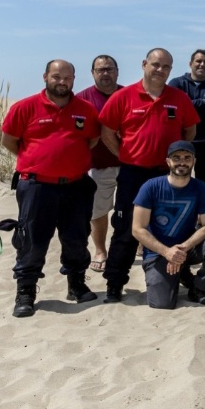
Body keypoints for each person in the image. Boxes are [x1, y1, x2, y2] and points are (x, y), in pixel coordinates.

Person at [1, 59, 101, 317]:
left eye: (67, 77)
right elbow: (10, 141)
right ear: (45, 76)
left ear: (74, 79)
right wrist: (38, 163)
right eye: (56, 76)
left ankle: (76, 284)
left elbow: (91, 140)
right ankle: (26, 291)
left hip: (76, 186)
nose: (62, 81)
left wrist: (67, 163)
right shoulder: (24, 107)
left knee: (76, 237)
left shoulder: (86, 110)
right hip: (36, 186)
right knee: (32, 239)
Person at [100, 48, 200, 302]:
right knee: (125, 228)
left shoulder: (178, 98)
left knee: (174, 227)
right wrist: (125, 155)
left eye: (166, 67)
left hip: (168, 175)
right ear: (144, 64)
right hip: (133, 174)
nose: (160, 70)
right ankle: (115, 282)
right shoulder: (123, 96)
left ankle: (183, 274)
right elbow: (107, 132)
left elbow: (189, 131)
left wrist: (175, 160)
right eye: (156, 65)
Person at [131, 141, 205, 309]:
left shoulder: (201, 188)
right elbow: (137, 229)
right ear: (168, 161)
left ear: (193, 161)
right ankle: (178, 274)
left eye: (187, 158)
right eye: (176, 158)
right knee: (162, 303)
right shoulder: (150, 187)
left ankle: (199, 288)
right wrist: (167, 252)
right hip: (158, 252)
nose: (182, 162)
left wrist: (182, 248)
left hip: (186, 248)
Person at [75, 54, 122, 274]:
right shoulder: (82, 99)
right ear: (93, 73)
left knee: (136, 207)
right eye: (100, 69)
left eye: (109, 69)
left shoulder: (128, 95)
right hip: (97, 165)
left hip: (130, 164)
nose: (105, 73)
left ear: (117, 71)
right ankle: (101, 250)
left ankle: (141, 244)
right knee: (98, 211)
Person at [168, 49, 205, 184]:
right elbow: (172, 110)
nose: (202, 64)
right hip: (181, 141)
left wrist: (186, 108)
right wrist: (203, 103)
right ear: (190, 63)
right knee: (177, 181)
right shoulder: (177, 84)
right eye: (198, 61)